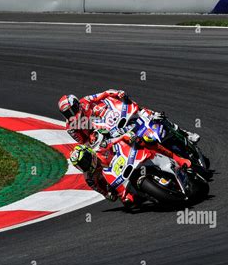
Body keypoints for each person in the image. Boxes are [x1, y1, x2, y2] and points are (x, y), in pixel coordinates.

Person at [69, 134, 191, 208]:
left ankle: (177, 159)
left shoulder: (100, 147)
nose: (84, 165)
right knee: (129, 203)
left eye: (84, 161)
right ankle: (156, 196)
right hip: (120, 181)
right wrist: (109, 193)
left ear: (89, 153)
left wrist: (129, 137)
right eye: (81, 165)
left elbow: (118, 139)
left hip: (129, 159)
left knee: (145, 140)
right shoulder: (89, 178)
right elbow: (105, 194)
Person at [58, 89, 200, 145]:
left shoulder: (86, 101)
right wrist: (93, 139)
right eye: (67, 114)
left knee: (150, 115)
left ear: (77, 103)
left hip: (114, 119)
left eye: (72, 110)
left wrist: (117, 93)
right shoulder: (71, 128)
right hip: (107, 136)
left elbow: (105, 94)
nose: (71, 115)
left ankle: (186, 134)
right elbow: (84, 143)